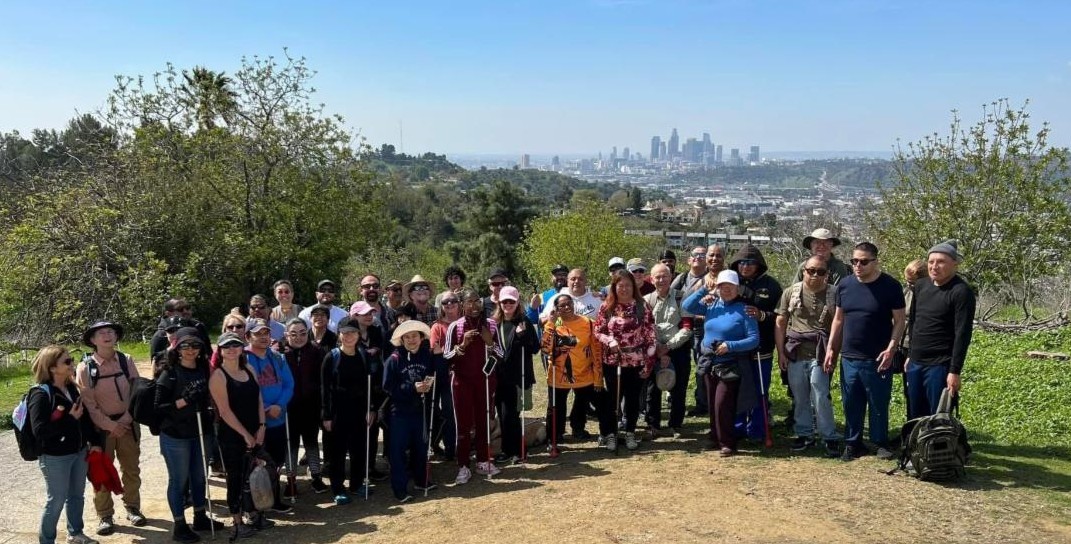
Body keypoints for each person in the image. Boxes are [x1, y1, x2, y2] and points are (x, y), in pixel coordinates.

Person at [824, 242, 906, 462]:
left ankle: (880, 443)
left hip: (878, 357)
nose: (858, 265)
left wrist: (892, 347)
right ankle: (853, 443)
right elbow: (838, 319)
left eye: (863, 261)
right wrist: (832, 348)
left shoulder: (890, 286)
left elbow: (899, 321)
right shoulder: (846, 285)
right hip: (850, 355)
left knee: (878, 402)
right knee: (851, 401)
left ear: (875, 261)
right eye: (854, 261)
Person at [75, 321, 146, 536]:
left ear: (116, 337)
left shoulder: (126, 361)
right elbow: (88, 404)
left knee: (131, 469)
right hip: (101, 430)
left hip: (128, 425)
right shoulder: (85, 368)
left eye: (111, 332)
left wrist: (124, 420)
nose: (107, 335)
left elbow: (137, 392)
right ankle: (105, 515)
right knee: (101, 473)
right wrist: (110, 425)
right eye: (101, 333)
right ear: (93, 340)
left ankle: (133, 508)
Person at [154, 328, 224, 542]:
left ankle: (200, 516)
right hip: (176, 434)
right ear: (177, 348)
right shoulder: (170, 372)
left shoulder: (204, 368)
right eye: (186, 346)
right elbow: (159, 406)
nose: (191, 350)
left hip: (201, 430)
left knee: (199, 477)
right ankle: (179, 525)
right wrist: (185, 400)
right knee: (179, 480)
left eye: (195, 345)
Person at [29, 345, 103, 544]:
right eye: (67, 362)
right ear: (53, 368)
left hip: (79, 452)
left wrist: (95, 442)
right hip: (54, 457)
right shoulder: (40, 395)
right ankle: (47, 541)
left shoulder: (71, 387)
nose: (73, 364)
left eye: (72, 360)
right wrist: (69, 419)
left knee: (76, 496)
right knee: (56, 500)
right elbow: (40, 431)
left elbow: (83, 418)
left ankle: (76, 533)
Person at [682, 270, 760, 457]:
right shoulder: (711, 305)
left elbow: (754, 339)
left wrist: (730, 345)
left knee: (723, 403)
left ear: (737, 288)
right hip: (709, 361)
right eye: (722, 286)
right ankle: (715, 436)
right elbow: (687, 306)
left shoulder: (745, 310)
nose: (726, 290)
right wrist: (704, 291)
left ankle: (727, 442)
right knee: (711, 402)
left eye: (730, 287)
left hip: (730, 363)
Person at [775, 256, 841, 457]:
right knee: (800, 395)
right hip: (795, 352)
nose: (815, 275)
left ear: (827, 274)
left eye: (820, 272)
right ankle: (804, 434)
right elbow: (780, 322)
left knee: (820, 394)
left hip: (821, 353)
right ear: (803, 271)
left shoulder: (834, 293)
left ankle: (829, 436)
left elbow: (839, 323)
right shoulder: (791, 292)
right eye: (811, 270)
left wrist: (832, 351)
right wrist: (781, 352)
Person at [907, 240, 976, 418]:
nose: (934, 266)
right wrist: (910, 354)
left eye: (941, 262)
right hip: (916, 361)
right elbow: (914, 321)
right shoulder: (921, 285)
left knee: (938, 414)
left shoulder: (961, 292)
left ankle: (936, 445)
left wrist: (954, 371)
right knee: (914, 411)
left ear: (954, 264)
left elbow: (962, 334)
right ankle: (914, 445)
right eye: (931, 262)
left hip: (940, 365)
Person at [443, 288, 504, 483]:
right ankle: (462, 465)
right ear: (462, 305)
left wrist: (489, 343)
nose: (474, 305)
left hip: (485, 381)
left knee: (484, 421)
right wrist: (462, 345)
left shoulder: (492, 325)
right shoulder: (456, 326)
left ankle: (484, 460)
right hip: (462, 382)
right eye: (469, 302)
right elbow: (446, 356)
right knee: (463, 425)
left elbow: (502, 354)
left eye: (477, 301)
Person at [208, 332, 264, 539]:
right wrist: (245, 435)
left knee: (255, 473)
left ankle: (255, 514)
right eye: (227, 346)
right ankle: (237, 521)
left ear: (242, 348)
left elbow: (258, 399)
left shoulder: (249, 369)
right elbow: (224, 411)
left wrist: (262, 426)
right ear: (220, 351)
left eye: (236, 345)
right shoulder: (218, 376)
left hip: (254, 431)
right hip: (231, 435)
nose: (232, 349)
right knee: (236, 478)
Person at [594, 270, 656, 451]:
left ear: (633, 286)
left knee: (632, 399)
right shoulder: (607, 307)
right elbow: (598, 331)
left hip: (635, 360)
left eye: (628, 285)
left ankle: (630, 432)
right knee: (613, 399)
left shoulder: (641, 307)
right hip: (613, 361)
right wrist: (609, 340)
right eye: (620, 285)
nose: (624, 289)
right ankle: (611, 434)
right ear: (614, 287)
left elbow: (650, 334)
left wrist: (649, 360)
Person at [320, 317, 378, 505]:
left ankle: (356, 484)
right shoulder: (332, 357)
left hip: (359, 412)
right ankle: (338, 487)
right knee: (337, 452)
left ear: (358, 335)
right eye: (345, 333)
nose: (349, 336)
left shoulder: (364, 356)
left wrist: (371, 409)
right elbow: (325, 388)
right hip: (338, 413)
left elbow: (371, 386)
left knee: (359, 450)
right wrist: (326, 415)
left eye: (352, 332)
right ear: (339, 335)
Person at [729, 244, 783, 443]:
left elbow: (780, 317)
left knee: (761, 389)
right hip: (737, 345)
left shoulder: (771, 285)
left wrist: (762, 315)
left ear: (759, 265)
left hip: (762, 347)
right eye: (742, 262)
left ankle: (758, 429)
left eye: (751, 263)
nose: (746, 266)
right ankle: (737, 427)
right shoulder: (731, 282)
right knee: (737, 388)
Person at [383, 320, 438, 502]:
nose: (411, 340)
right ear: (402, 340)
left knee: (421, 447)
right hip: (399, 412)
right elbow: (388, 387)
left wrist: (428, 383)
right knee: (397, 452)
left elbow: (436, 375)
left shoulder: (427, 355)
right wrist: (411, 388)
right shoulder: (394, 359)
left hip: (420, 410)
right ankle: (400, 489)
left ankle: (422, 480)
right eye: (407, 337)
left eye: (414, 336)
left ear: (421, 338)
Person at [540, 293, 604, 447]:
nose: (566, 307)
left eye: (569, 303)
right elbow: (545, 348)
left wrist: (598, 376)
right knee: (556, 407)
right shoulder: (553, 324)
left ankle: (578, 428)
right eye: (562, 305)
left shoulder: (588, 323)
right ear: (556, 309)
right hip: (558, 374)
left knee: (582, 402)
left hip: (584, 372)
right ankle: (554, 436)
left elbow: (596, 351)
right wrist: (550, 323)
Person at [243, 319, 295, 513]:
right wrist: (264, 408)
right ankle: (255, 505)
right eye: (258, 334)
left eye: (266, 333)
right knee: (257, 463)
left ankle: (275, 498)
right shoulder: (243, 359)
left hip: (279, 419)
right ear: (248, 337)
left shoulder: (278, 358)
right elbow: (244, 390)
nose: (264, 337)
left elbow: (289, 384)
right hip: (256, 422)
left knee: (277, 462)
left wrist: (279, 405)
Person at [644, 263, 694, 437]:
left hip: (678, 349)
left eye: (665, 276)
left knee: (678, 389)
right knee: (652, 390)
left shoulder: (682, 297)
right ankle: (653, 425)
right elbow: (646, 327)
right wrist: (658, 348)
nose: (661, 279)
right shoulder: (646, 300)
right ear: (651, 279)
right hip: (654, 349)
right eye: (657, 276)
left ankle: (675, 425)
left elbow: (687, 327)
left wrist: (668, 348)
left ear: (671, 277)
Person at [279, 317, 328, 495]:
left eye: (302, 333)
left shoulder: (316, 351)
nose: (298, 337)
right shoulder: (280, 353)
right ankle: (291, 480)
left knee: (311, 442)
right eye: (293, 334)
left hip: (310, 406)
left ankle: (316, 476)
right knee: (290, 444)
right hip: (288, 407)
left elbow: (323, 379)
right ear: (286, 335)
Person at [492, 287, 539, 462]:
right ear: (500, 303)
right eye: (505, 301)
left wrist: (523, 336)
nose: (508, 304)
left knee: (510, 415)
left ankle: (517, 450)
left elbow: (534, 348)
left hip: (518, 376)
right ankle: (508, 450)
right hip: (499, 376)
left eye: (511, 301)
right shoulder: (494, 323)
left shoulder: (524, 322)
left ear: (517, 302)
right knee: (502, 413)